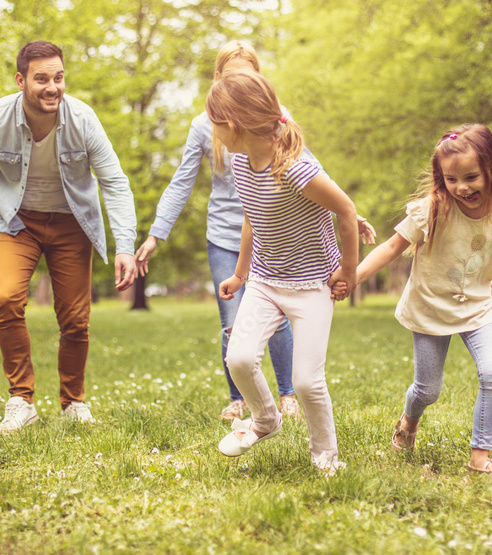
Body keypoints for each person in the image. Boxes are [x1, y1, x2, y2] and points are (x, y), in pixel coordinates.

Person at [135, 41, 375, 423]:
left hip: (273, 235)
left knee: (276, 314)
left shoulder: (276, 118)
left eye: (248, 76)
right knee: (233, 318)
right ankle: (240, 397)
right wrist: (155, 235)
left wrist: (352, 213)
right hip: (226, 233)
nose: (240, 84)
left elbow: (309, 170)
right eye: (232, 78)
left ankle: (286, 395)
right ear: (218, 81)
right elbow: (181, 182)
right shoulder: (204, 125)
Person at [351, 123, 492, 476]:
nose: (461, 187)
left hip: (477, 309)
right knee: (428, 390)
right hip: (429, 307)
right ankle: (408, 423)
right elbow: (391, 247)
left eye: (471, 177)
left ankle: (481, 457)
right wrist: (353, 277)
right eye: (451, 179)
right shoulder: (433, 210)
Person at [0, 40, 138, 434]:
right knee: (4, 297)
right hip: (16, 223)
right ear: (21, 81)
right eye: (41, 79)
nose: (52, 87)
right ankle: (21, 400)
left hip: (72, 224)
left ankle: (73, 403)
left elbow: (115, 184)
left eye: (58, 77)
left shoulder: (83, 119)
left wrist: (125, 247)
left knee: (75, 319)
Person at [205, 69, 360, 475]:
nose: (213, 132)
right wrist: (240, 275)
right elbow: (252, 219)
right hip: (265, 280)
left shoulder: (295, 169)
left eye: (215, 124)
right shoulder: (240, 163)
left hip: (311, 285)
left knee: (308, 382)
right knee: (238, 357)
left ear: (235, 126)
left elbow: (345, 210)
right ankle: (265, 420)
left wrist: (349, 269)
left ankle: (325, 457)